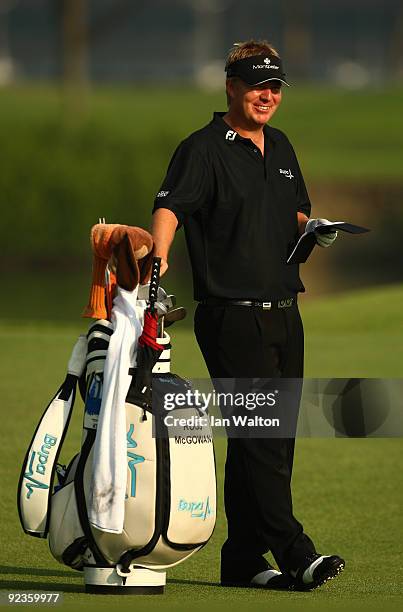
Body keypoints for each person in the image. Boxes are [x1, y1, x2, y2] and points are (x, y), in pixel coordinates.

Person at [150, 40, 344, 591]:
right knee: (261, 434)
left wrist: (313, 227)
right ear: (231, 86)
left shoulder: (280, 146)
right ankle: (295, 549)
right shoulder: (203, 148)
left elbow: (294, 208)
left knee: (270, 439)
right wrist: (160, 257)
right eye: (257, 84)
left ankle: (242, 559)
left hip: (285, 311)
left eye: (275, 86)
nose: (267, 95)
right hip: (232, 317)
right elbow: (170, 207)